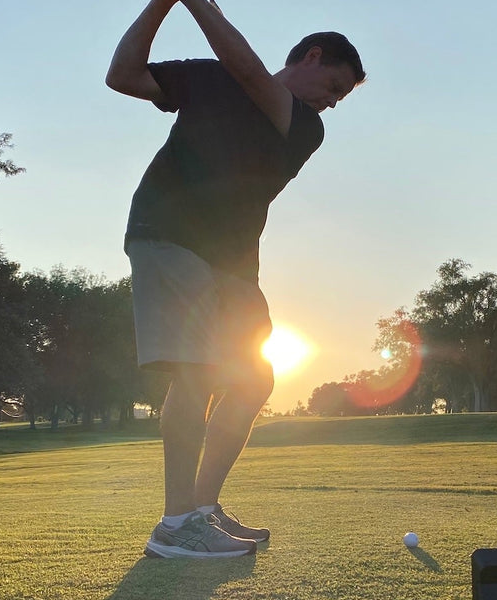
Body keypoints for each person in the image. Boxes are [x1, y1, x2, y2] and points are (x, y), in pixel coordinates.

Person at [105, 0, 365, 559]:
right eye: (333, 86)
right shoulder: (210, 77)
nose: (332, 101)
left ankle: (201, 509)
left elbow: (248, 71)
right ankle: (176, 526)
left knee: (253, 378)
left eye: (340, 98)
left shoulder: (305, 126)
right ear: (312, 56)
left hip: (233, 263)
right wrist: (162, 5)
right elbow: (122, 75)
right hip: (169, 234)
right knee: (197, 369)